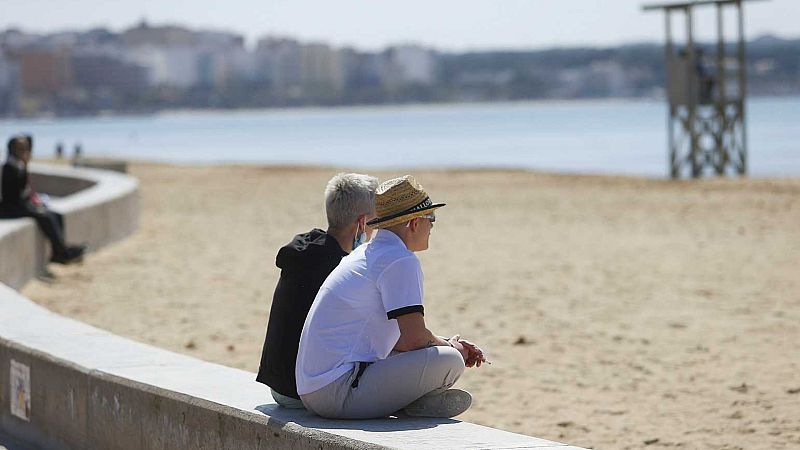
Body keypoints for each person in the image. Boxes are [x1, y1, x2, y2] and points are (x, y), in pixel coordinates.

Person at [295, 175, 487, 419]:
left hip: (313, 390)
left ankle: (413, 401)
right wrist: (452, 348)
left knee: (439, 352)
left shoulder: (366, 253)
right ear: (414, 223)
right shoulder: (399, 260)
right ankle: (416, 401)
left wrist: (444, 340)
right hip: (338, 393)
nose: (433, 226)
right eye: (432, 219)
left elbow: (395, 338)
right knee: (450, 361)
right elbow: (413, 340)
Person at [256, 173, 380, 409]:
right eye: (376, 223)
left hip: (278, 386)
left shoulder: (306, 250)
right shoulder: (342, 269)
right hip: (304, 390)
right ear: (363, 223)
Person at [1, 134, 85, 264]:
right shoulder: (9, 167)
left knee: (56, 215)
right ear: (13, 149)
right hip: (10, 208)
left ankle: (60, 250)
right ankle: (61, 252)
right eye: (21, 148)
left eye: (26, 147)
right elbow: (14, 195)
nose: (25, 150)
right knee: (46, 217)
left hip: (19, 205)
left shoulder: (17, 165)